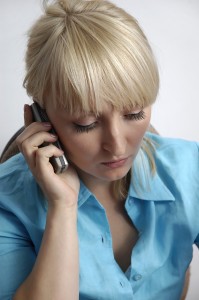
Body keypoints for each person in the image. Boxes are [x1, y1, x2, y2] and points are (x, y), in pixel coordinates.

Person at [0, 0, 198, 299]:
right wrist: (62, 207)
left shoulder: (189, 167)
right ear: (40, 118)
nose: (117, 145)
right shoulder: (7, 201)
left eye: (134, 115)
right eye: (86, 123)